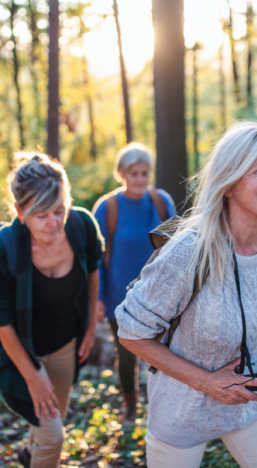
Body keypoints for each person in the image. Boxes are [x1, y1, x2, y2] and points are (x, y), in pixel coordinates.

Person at [115, 121, 257, 467]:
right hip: (181, 414)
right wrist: (208, 382)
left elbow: (251, 318)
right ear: (229, 184)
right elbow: (130, 331)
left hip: (247, 404)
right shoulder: (190, 251)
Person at [0, 153, 104, 468]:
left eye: (59, 210)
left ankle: (29, 456)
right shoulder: (3, 248)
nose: (53, 223)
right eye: (41, 215)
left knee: (51, 418)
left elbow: (92, 272)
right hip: (21, 350)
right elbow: (2, 323)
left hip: (65, 343)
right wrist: (33, 376)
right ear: (20, 213)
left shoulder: (81, 225)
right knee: (53, 436)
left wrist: (89, 327)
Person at [92, 143, 176, 422]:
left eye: (144, 173)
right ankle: (130, 404)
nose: (140, 179)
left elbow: (178, 247)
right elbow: (96, 258)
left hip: (160, 294)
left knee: (164, 354)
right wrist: (98, 298)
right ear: (122, 174)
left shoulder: (161, 202)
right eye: (134, 173)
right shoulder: (107, 208)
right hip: (121, 296)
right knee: (127, 354)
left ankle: (162, 406)